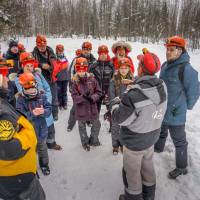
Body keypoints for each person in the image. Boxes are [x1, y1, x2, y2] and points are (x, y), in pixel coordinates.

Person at [111, 50, 167, 200]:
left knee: (132, 173)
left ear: (141, 68)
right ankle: (149, 196)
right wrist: (136, 83)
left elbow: (120, 119)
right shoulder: (162, 86)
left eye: (139, 63)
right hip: (152, 136)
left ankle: (133, 197)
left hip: (135, 142)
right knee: (148, 167)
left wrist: (116, 103)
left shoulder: (133, 96)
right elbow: (149, 96)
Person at [154, 36, 200, 179]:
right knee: (160, 130)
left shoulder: (186, 69)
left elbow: (194, 92)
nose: (168, 52)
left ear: (180, 51)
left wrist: (185, 106)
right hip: (162, 108)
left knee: (179, 141)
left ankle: (182, 167)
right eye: (167, 49)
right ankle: (158, 148)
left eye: (172, 50)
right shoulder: (165, 65)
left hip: (176, 112)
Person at [0, 72, 46, 200]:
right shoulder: (2, 112)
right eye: (2, 74)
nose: (6, 78)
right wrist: (29, 133)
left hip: (17, 174)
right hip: (17, 179)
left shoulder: (4, 102)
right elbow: (8, 149)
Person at [12, 52, 62, 150]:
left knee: (50, 128)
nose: (30, 68)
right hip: (33, 110)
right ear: (22, 66)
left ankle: (51, 143)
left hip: (43, 103)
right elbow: (22, 92)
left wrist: (46, 99)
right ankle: (38, 147)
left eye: (31, 65)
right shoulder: (19, 79)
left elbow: (47, 87)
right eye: (27, 66)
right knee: (37, 131)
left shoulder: (38, 74)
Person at [16, 72, 52, 175]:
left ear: (35, 85)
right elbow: (20, 116)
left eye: (32, 87)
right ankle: (31, 169)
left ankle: (44, 165)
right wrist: (32, 113)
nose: (30, 90)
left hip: (41, 131)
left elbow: (49, 110)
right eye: (27, 89)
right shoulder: (20, 100)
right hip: (28, 134)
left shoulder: (42, 96)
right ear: (23, 88)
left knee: (42, 149)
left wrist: (43, 112)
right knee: (30, 152)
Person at [71, 57, 101, 151]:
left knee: (97, 124)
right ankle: (85, 142)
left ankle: (93, 139)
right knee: (82, 127)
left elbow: (99, 92)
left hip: (92, 108)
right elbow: (75, 98)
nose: (81, 72)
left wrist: (92, 97)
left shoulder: (92, 80)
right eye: (79, 70)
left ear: (86, 69)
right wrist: (83, 97)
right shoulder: (75, 82)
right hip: (81, 110)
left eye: (83, 70)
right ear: (76, 69)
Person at [67, 42, 96, 132]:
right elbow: (71, 72)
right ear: (82, 49)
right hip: (78, 87)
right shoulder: (76, 59)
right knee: (76, 106)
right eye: (84, 49)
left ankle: (88, 120)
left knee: (89, 105)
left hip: (89, 87)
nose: (86, 51)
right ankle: (70, 124)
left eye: (88, 49)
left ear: (90, 50)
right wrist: (71, 85)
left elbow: (96, 75)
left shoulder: (94, 61)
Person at [109, 57, 134, 155]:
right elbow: (111, 95)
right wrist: (114, 105)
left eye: (126, 68)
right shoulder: (113, 80)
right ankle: (115, 145)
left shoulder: (133, 79)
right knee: (115, 128)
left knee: (126, 128)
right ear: (118, 69)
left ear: (129, 68)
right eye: (121, 68)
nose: (123, 70)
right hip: (117, 108)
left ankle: (123, 144)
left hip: (128, 109)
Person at [32, 34, 59, 121]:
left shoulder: (51, 51)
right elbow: (31, 64)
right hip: (41, 79)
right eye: (40, 46)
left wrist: (51, 68)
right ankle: (45, 114)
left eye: (44, 45)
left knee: (54, 97)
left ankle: (55, 114)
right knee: (44, 97)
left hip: (52, 77)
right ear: (37, 45)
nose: (42, 47)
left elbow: (56, 63)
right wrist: (41, 65)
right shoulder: (34, 54)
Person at [89, 45, 114, 112]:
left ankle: (112, 120)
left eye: (105, 53)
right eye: (101, 53)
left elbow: (113, 79)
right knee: (95, 109)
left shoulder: (111, 66)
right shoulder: (93, 66)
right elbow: (89, 79)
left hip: (107, 92)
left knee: (111, 109)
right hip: (97, 92)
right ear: (99, 54)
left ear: (107, 54)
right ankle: (92, 120)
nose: (103, 55)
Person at [55, 44, 69, 110]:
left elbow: (67, 67)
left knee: (64, 91)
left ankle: (65, 103)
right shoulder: (55, 59)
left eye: (61, 50)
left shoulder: (65, 58)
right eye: (59, 51)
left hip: (65, 78)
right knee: (59, 92)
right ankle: (60, 103)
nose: (60, 52)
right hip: (58, 79)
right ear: (57, 51)